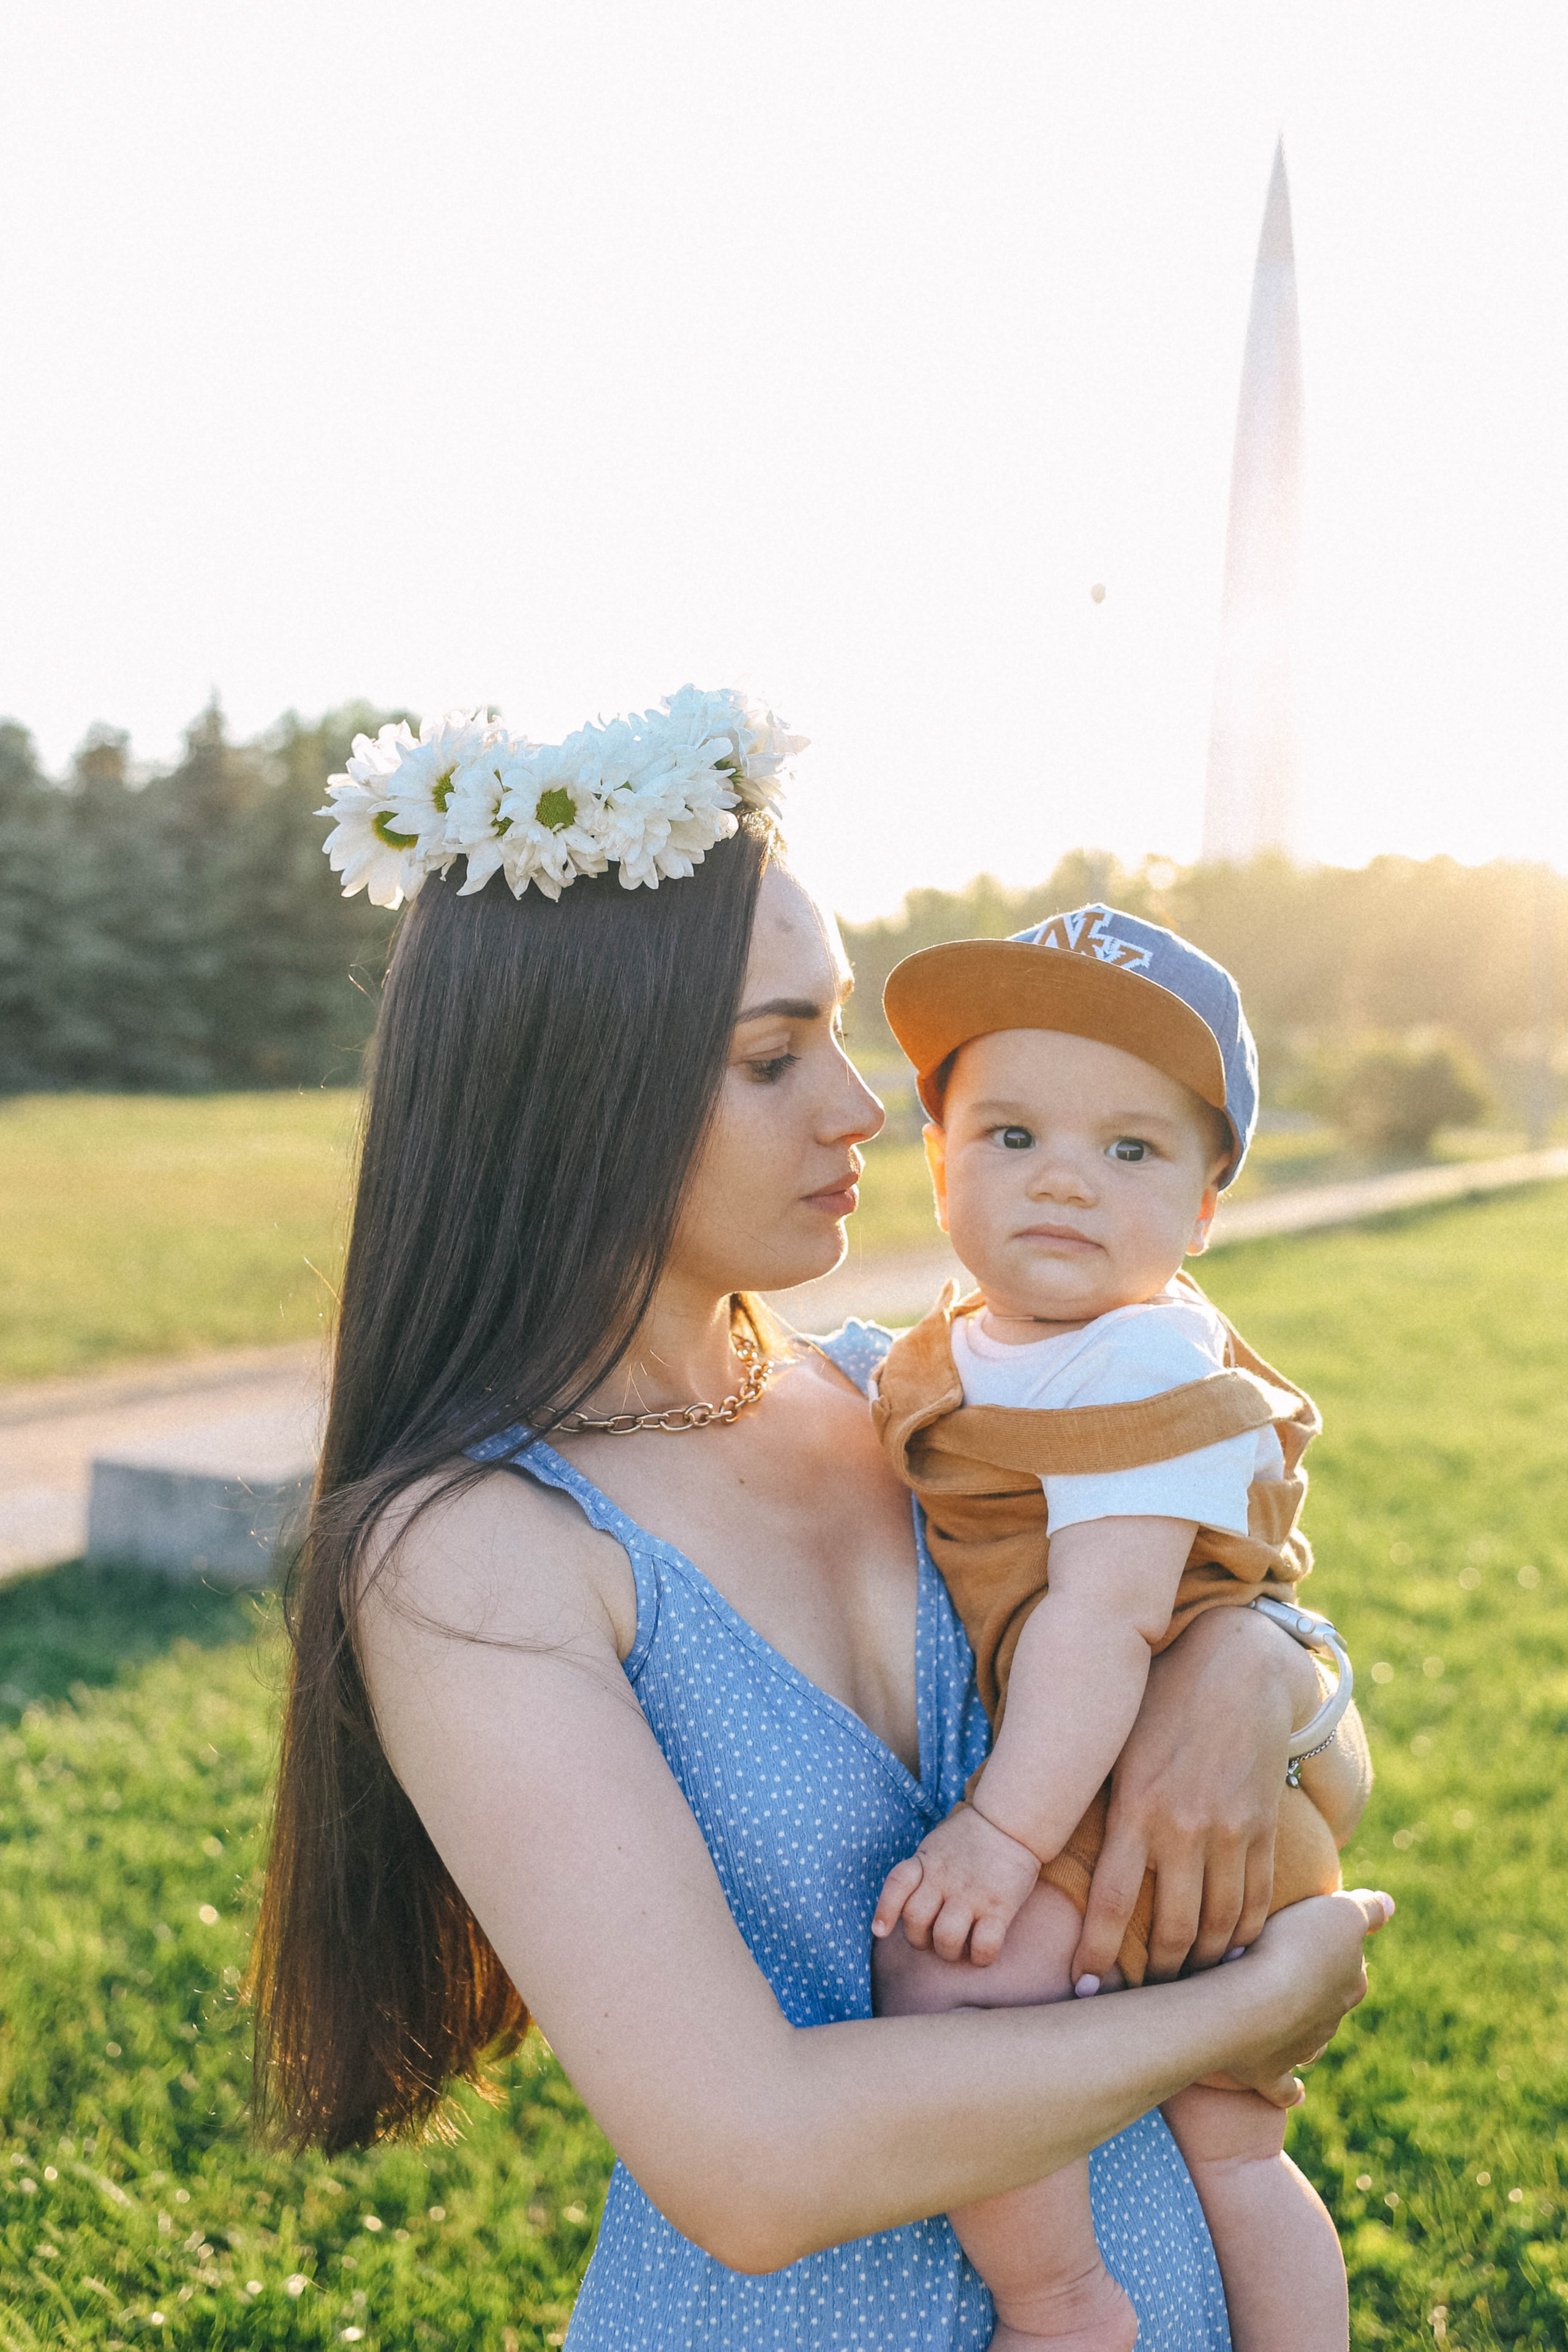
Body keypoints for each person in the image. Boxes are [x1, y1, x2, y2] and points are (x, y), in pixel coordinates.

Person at [251, 692, 1390, 2351]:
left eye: (845, 1037)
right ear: (574, 1096)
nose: (865, 1110)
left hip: (1172, 2296)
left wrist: (1252, 1674)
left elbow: (1333, 1782)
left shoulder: (918, 1400)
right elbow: (752, 2164)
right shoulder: (476, 1549)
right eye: (776, 1057)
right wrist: (1254, 2007)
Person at [867, 903, 1371, 2352]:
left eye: (1129, 1150)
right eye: (1010, 1137)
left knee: (944, 1979)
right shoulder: (962, 1345)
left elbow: (1098, 1620)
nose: (1063, 1185)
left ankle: (1059, 2303)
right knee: (1237, 2151)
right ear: (937, 1160)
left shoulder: (1144, 1357)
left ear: (1206, 1205)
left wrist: (999, 1839)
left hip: (1149, 1809)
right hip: (1172, 1803)